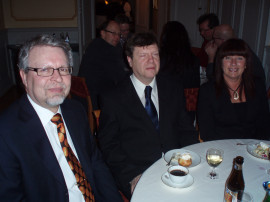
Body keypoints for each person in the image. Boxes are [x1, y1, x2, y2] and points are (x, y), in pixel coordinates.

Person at [0, 34, 123, 202]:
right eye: (44, 70)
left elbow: (95, 163)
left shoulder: (75, 111)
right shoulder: (6, 133)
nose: (57, 78)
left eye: (63, 69)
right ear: (24, 77)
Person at [98, 32, 198, 199]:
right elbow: (109, 146)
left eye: (155, 54)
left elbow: (185, 129)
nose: (151, 61)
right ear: (129, 60)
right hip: (139, 172)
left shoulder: (172, 87)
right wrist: (130, 177)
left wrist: (194, 158)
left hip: (178, 169)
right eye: (143, 55)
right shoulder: (113, 97)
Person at [197, 38, 270, 141]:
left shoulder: (257, 86)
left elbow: (265, 124)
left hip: (253, 149)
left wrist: (256, 149)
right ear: (220, 62)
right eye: (228, 58)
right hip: (222, 148)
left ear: (246, 63)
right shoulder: (207, 91)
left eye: (239, 58)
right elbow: (207, 133)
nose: (233, 63)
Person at [79, 20, 127, 110]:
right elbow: (119, 76)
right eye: (113, 33)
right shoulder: (105, 49)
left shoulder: (95, 44)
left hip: (85, 100)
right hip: (97, 102)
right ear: (103, 33)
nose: (117, 37)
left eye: (119, 34)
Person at [159, 21, 200, 123]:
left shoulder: (160, 59)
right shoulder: (193, 59)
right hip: (188, 107)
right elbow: (195, 85)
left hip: (166, 106)